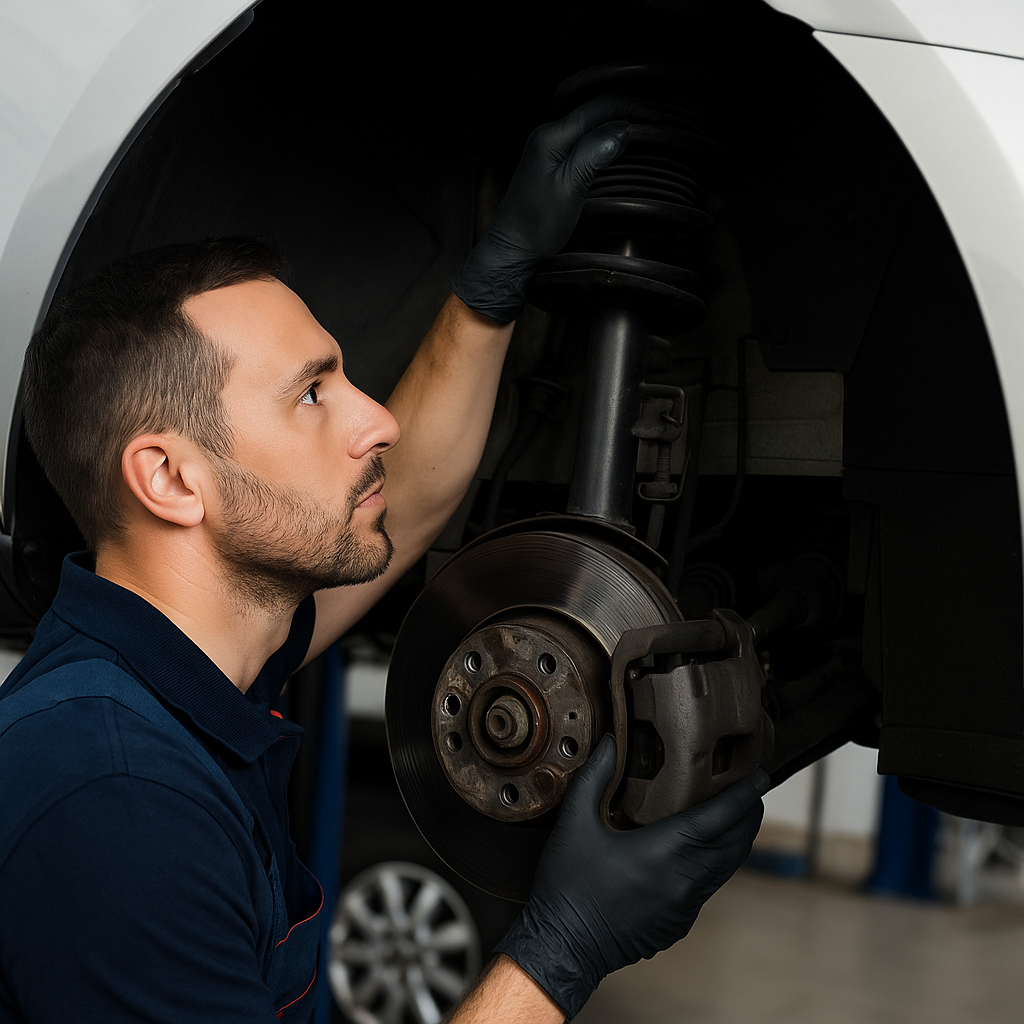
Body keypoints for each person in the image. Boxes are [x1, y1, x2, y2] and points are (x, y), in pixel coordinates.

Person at [0, 99, 767, 1023]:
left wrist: (492, 283)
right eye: (313, 394)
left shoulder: (177, 672)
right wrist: (559, 955)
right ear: (169, 478)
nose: (378, 420)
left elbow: (401, 510)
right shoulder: (114, 805)